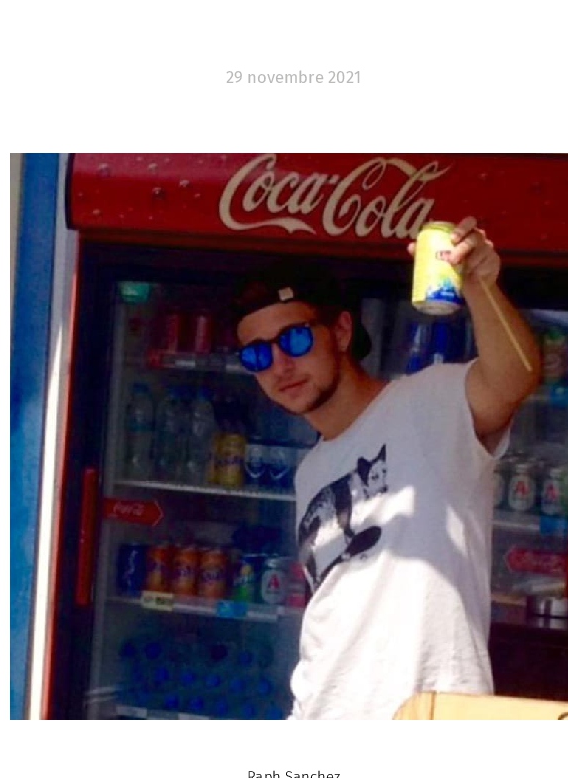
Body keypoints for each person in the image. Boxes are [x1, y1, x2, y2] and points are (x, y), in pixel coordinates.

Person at [231, 217, 542, 720]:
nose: (279, 365)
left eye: (294, 339)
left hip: (428, 719)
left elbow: (515, 379)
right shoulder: (310, 471)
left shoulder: (428, 401)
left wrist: (480, 285)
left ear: (341, 331)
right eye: (257, 354)